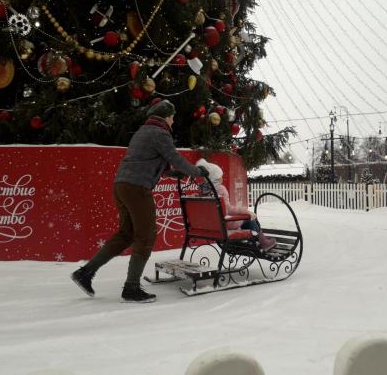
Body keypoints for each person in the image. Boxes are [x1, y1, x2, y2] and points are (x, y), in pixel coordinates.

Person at [71, 99, 209, 303]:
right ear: (165, 116)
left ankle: (85, 272)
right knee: (146, 237)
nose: (173, 121)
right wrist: (198, 172)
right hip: (137, 189)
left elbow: (145, 161)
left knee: (126, 234)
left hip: (122, 186)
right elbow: (175, 158)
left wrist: (171, 174)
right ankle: (131, 288)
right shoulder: (160, 133)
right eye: (172, 117)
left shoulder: (143, 131)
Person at [195, 158, 276, 251]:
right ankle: (263, 242)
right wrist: (246, 211)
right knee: (249, 218)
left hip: (211, 225)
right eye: (220, 175)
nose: (222, 177)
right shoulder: (220, 189)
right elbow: (228, 209)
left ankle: (256, 238)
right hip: (224, 224)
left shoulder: (202, 190)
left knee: (246, 218)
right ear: (215, 178)